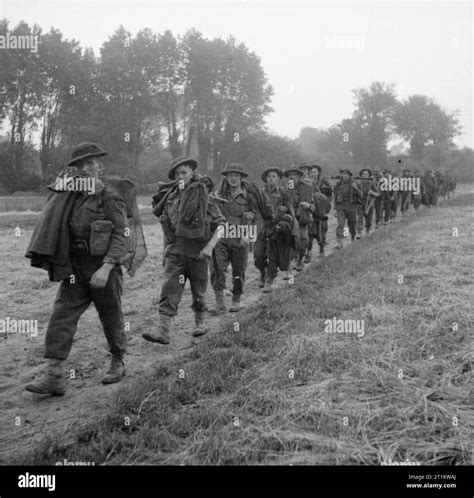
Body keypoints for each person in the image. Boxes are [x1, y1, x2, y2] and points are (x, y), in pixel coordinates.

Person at [25, 142, 137, 396]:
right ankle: (54, 375)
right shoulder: (68, 197)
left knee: (111, 315)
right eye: (80, 165)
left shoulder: (110, 197)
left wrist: (107, 268)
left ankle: (118, 361)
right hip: (75, 268)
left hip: (103, 269)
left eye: (90, 163)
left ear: (100, 166)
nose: (85, 169)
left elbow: (122, 235)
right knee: (62, 316)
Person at [143, 157, 225, 344]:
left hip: (198, 252)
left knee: (198, 291)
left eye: (184, 173)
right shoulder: (170, 198)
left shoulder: (204, 196)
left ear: (192, 174)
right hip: (175, 252)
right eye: (177, 174)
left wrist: (209, 247)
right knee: (169, 289)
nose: (180, 176)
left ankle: (200, 323)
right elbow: (167, 228)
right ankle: (163, 331)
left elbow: (221, 225)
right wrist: (165, 253)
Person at [209, 163, 259, 313]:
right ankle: (219, 302)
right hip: (222, 235)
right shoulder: (219, 195)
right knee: (217, 268)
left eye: (236, 176)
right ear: (226, 177)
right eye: (231, 175)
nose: (233, 179)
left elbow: (258, 218)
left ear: (242, 178)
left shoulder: (249, 197)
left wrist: (249, 236)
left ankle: (236, 300)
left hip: (240, 235)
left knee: (239, 270)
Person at [254, 167, 295, 292]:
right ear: (265, 179)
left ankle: (269, 281)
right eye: (269, 177)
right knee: (258, 256)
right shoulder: (260, 193)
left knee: (274, 256)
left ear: (278, 179)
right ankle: (262, 272)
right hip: (262, 228)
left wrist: (282, 220)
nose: (271, 179)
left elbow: (290, 213)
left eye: (274, 176)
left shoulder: (283, 194)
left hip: (277, 230)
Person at [284, 165, 313, 271]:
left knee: (302, 242)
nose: (292, 177)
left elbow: (312, 205)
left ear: (298, 176)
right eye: (290, 175)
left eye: (294, 175)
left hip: (302, 218)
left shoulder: (305, 188)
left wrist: (308, 205)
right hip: (290, 219)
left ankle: (301, 259)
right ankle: (291, 265)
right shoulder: (285, 189)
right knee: (290, 242)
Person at [307, 163, 332, 258]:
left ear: (318, 173)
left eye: (315, 172)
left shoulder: (324, 183)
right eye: (311, 172)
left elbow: (328, 197)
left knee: (322, 230)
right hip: (311, 210)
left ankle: (322, 249)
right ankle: (308, 252)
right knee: (309, 232)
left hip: (321, 211)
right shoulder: (307, 182)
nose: (313, 173)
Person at [333, 169, 361, 249]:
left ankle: (352, 237)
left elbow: (361, 195)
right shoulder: (338, 184)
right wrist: (335, 208)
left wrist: (356, 188)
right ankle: (340, 243)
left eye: (346, 174)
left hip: (351, 207)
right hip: (341, 207)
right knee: (340, 224)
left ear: (349, 175)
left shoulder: (354, 183)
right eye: (343, 174)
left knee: (351, 225)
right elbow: (335, 197)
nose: (344, 176)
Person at [356, 168, 379, 236]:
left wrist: (372, 193)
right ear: (361, 175)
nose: (365, 175)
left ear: (369, 175)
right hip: (360, 203)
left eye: (367, 174)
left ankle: (368, 229)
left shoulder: (372, 184)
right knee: (360, 217)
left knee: (368, 218)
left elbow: (377, 194)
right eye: (364, 174)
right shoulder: (358, 184)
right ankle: (359, 232)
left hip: (369, 203)